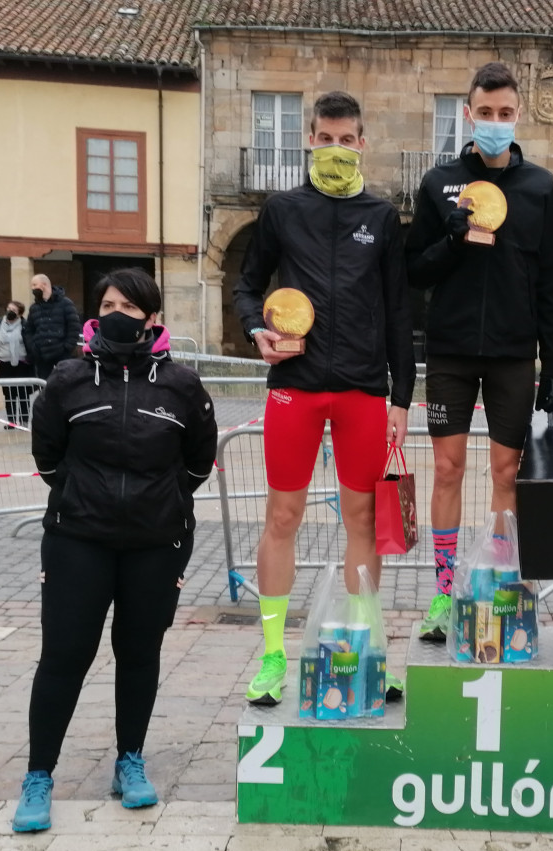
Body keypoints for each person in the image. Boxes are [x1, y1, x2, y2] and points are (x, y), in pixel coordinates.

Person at [12, 268, 217, 833]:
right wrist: (85, 498)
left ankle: (130, 760)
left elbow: (199, 460)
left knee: (139, 653)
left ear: (152, 318)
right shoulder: (69, 378)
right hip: (80, 539)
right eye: (108, 303)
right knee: (64, 657)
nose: (117, 313)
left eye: (129, 305)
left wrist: (164, 498)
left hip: (155, 543)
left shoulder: (182, 385)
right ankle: (39, 775)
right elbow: (48, 456)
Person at [234, 90, 414, 706]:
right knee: (282, 516)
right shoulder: (282, 210)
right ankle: (273, 655)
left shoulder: (383, 217)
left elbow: (398, 310)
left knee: (362, 519)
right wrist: (257, 328)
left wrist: (402, 396)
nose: (336, 149)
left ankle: (366, 647)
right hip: (295, 387)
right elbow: (247, 284)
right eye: (325, 138)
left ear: (362, 143)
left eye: (347, 139)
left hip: (364, 389)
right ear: (309, 139)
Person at [404, 61, 553, 640]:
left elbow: (551, 281)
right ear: (467, 114)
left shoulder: (541, 187)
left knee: (506, 472)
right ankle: (445, 594)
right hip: (450, 351)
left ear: (517, 115)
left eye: (506, 113)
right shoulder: (438, 182)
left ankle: (499, 583)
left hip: (513, 355)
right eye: (485, 113)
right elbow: (413, 270)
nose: (495, 122)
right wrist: (449, 239)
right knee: (446, 469)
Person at [24, 274, 80, 381]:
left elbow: (74, 326)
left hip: (62, 353)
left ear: (44, 285)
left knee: (66, 383)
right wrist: (33, 347)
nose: (32, 288)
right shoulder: (34, 308)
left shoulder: (65, 303)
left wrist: (67, 347)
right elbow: (29, 330)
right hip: (42, 355)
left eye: (35, 285)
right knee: (45, 388)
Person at [0, 299, 33, 428]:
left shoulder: (25, 325)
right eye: (9, 309)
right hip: (4, 363)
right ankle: (10, 422)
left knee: (23, 393)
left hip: (22, 363)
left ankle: (24, 420)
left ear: (20, 314)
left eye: (14, 311)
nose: (10, 312)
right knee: (9, 394)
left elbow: (30, 343)